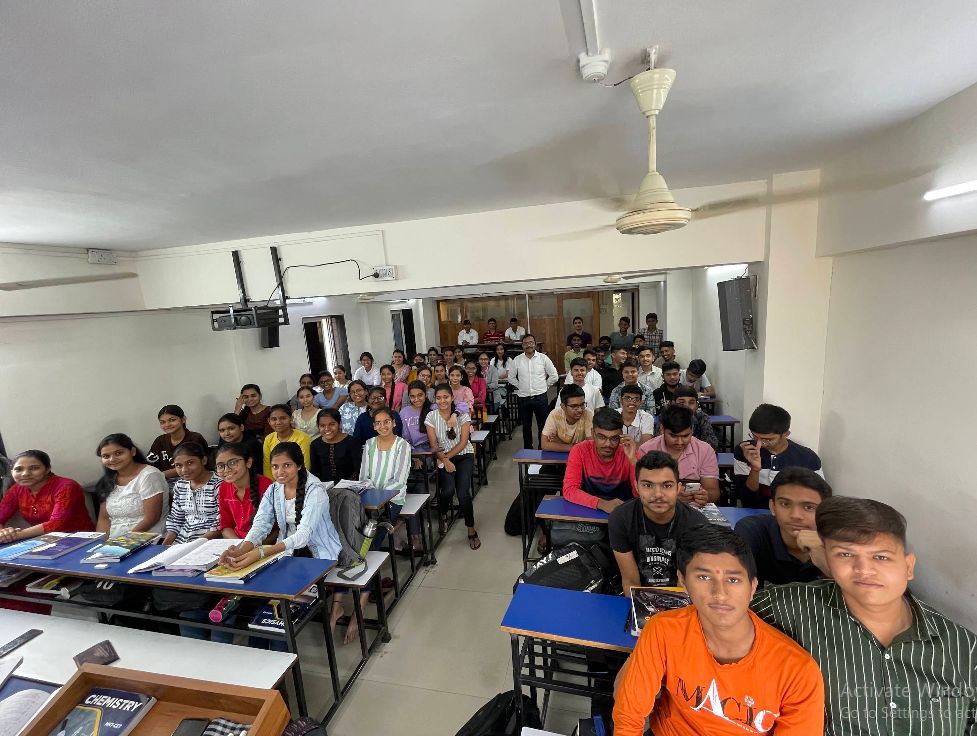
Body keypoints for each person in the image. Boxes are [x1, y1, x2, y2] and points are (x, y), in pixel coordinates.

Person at [751, 497, 977, 735]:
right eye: (845, 555)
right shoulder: (790, 608)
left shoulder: (964, 648)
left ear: (908, 567)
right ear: (827, 560)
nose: (864, 570)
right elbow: (726, 609)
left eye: (881, 557)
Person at [614, 525, 825, 736]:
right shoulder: (663, 630)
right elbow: (629, 717)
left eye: (733, 580)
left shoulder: (798, 672)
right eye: (704, 577)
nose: (720, 594)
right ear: (683, 581)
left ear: (752, 587)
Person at [219, 440, 342, 577]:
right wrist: (241, 550)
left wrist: (262, 552)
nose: (280, 472)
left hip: (319, 554)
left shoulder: (315, 490)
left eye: (287, 465)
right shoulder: (274, 489)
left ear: (299, 465)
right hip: (288, 552)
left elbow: (303, 535)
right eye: (275, 466)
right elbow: (260, 524)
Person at [609, 451, 708, 593]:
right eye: (647, 485)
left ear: (678, 488)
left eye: (667, 486)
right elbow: (631, 582)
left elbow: (687, 583)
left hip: (680, 595)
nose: (658, 494)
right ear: (636, 487)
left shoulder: (697, 524)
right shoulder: (620, 519)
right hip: (638, 595)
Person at [735, 467, 829, 586]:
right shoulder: (752, 531)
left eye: (809, 507)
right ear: (773, 507)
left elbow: (851, 591)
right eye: (785, 504)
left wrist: (825, 559)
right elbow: (733, 582)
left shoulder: (837, 538)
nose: (795, 515)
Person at [733, 403, 824, 509]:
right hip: (755, 512)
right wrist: (755, 469)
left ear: (786, 434)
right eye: (755, 437)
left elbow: (819, 497)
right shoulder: (745, 450)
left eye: (767, 439)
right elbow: (746, 500)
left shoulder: (808, 458)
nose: (759, 444)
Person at [425, 384, 479, 550]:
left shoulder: (462, 415)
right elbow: (434, 445)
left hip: (463, 456)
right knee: (447, 490)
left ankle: (471, 528)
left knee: (463, 493)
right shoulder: (431, 416)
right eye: (439, 398)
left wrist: (447, 458)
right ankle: (443, 514)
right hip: (442, 456)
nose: (442, 401)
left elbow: (463, 442)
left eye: (446, 397)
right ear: (435, 400)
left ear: (452, 398)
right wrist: (444, 460)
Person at [0, 450, 94, 542]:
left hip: (79, 539)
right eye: (19, 469)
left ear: (47, 469)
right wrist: (3, 533)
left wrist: (14, 535)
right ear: (12, 472)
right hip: (41, 541)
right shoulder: (17, 489)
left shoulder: (66, 486)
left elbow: (56, 524)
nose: (25, 474)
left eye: (34, 468)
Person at [638, 404, 720, 506]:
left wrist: (705, 496)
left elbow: (713, 491)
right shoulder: (646, 450)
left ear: (692, 429)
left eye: (686, 436)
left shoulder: (705, 450)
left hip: (693, 508)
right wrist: (671, 496)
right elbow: (640, 490)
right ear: (662, 429)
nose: (680, 442)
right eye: (673, 436)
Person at [562, 408, 637, 513]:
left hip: (622, 513)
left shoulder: (630, 453)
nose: (608, 444)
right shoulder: (579, 451)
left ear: (621, 435)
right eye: (602, 437)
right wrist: (601, 503)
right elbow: (569, 490)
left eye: (614, 438)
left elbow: (641, 495)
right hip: (587, 511)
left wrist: (633, 461)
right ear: (593, 433)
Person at [94, 434, 168, 538]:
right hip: (114, 541)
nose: (112, 459)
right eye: (106, 456)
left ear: (132, 451)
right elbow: (104, 519)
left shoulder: (150, 475)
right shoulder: (107, 481)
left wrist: (122, 542)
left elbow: (151, 518)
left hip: (148, 537)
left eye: (118, 453)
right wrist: (100, 542)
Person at [162, 443, 221, 545]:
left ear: (204, 460)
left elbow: (221, 524)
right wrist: (164, 547)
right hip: (182, 542)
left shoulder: (219, 485)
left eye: (190, 463)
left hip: (210, 542)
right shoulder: (180, 485)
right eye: (178, 465)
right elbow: (176, 520)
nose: (184, 470)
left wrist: (192, 546)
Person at [507, 334, 559, 449]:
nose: (528, 345)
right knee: (526, 426)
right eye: (525, 343)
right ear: (522, 345)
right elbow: (511, 377)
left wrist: (545, 386)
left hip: (540, 397)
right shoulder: (517, 360)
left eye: (531, 342)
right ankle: (528, 449)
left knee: (542, 425)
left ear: (535, 344)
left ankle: (542, 448)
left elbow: (554, 376)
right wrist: (520, 386)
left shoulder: (543, 358)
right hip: (524, 398)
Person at [215, 442, 273, 541]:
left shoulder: (267, 486)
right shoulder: (223, 487)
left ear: (248, 462)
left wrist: (250, 546)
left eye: (232, 463)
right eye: (220, 466)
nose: (226, 469)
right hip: (236, 542)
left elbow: (277, 529)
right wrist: (239, 544)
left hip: (263, 544)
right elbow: (226, 526)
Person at [147, 405, 209, 482]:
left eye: (172, 420)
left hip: (190, 480)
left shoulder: (195, 439)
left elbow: (195, 466)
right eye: (162, 422)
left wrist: (158, 475)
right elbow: (149, 464)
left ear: (183, 419)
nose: (167, 425)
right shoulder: (160, 440)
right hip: (163, 481)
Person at [309, 408, 363, 485]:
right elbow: (315, 471)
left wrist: (346, 486)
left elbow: (358, 470)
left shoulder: (352, 442)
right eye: (322, 425)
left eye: (332, 424)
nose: (327, 429)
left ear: (339, 424)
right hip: (323, 487)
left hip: (349, 486)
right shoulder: (315, 444)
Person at [262, 405, 312, 477]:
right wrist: (273, 483)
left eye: (283, 418)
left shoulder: (303, 438)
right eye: (274, 419)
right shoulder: (269, 439)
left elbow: (305, 466)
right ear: (269, 421)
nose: (278, 422)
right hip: (276, 481)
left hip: (299, 480)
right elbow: (267, 467)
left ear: (291, 419)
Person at [541, 384, 593, 452]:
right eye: (574, 406)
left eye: (582, 404)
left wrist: (559, 442)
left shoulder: (588, 413)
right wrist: (577, 447)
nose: (580, 410)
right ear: (563, 406)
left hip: (581, 456)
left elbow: (591, 446)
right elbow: (545, 445)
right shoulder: (555, 414)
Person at [400, 381, 433, 451]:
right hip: (415, 449)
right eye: (412, 396)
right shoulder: (404, 412)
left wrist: (455, 414)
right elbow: (405, 437)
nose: (416, 399)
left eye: (420, 395)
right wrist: (413, 452)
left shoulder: (434, 408)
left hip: (434, 447)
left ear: (426, 394)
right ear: (409, 397)